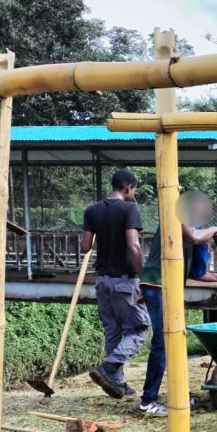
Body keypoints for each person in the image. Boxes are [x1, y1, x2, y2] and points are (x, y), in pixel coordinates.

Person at [138, 191, 217, 417]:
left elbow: (196, 273)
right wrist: (215, 230)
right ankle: (148, 400)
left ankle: (178, 394)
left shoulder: (190, 231)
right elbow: (195, 237)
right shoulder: (177, 216)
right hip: (156, 284)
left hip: (167, 287)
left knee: (174, 339)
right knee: (163, 340)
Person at [82, 169, 149, 399]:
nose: (134, 193)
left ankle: (117, 383)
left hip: (102, 280)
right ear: (128, 187)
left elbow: (85, 246)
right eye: (134, 189)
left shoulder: (92, 210)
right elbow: (134, 245)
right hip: (125, 279)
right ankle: (109, 368)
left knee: (112, 330)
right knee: (138, 329)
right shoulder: (129, 209)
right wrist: (143, 278)